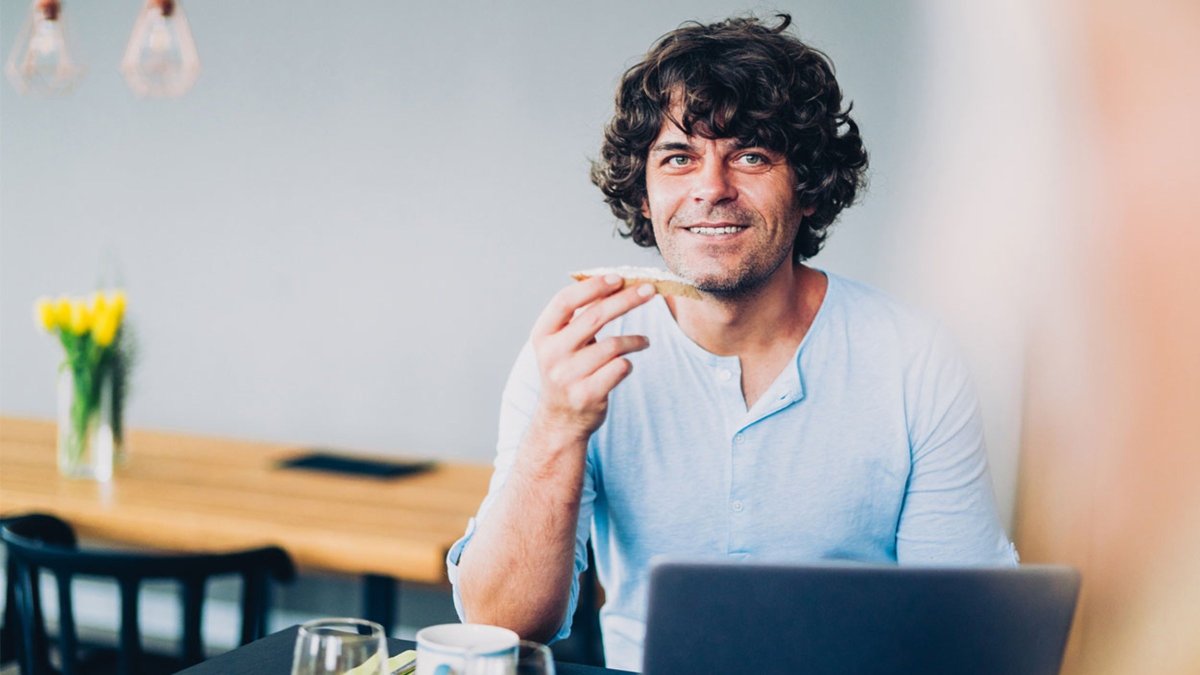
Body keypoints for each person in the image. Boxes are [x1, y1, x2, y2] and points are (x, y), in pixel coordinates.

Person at [447, 14, 1017, 671]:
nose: (711, 189)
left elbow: (972, 636)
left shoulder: (915, 359)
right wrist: (558, 425)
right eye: (679, 158)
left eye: (750, 155)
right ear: (644, 194)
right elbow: (501, 625)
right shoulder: (576, 357)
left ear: (808, 187)